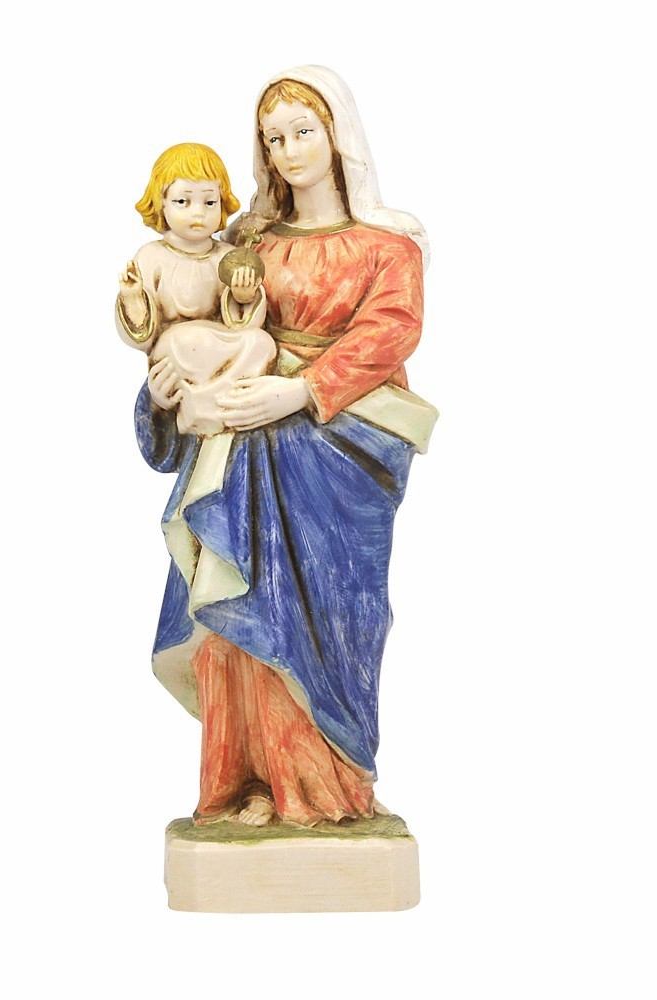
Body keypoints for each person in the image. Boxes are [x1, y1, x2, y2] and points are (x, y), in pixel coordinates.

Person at [134, 67, 437, 827]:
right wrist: (167, 390)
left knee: (337, 613)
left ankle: (328, 785)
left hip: (341, 453)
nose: (289, 150)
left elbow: (388, 333)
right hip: (243, 449)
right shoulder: (247, 242)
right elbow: (194, 326)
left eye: (304, 130)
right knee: (239, 602)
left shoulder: (387, 246)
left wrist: (300, 392)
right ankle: (252, 780)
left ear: (338, 135)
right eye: (273, 138)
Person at [116, 143, 274, 436]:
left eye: (209, 202)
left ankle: (206, 404)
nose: (198, 213)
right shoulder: (151, 256)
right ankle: (205, 405)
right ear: (161, 203)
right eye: (183, 201)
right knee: (186, 340)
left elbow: (240, 325)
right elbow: (142, 336)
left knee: (262, 343)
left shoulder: (227, 255)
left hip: (220, 345)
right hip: (177, 350)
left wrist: (243, 297)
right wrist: (132, 297)